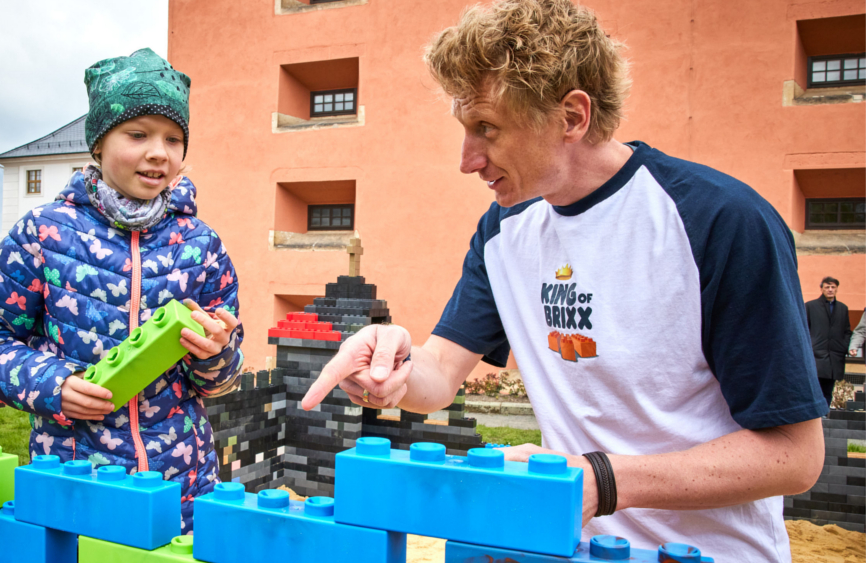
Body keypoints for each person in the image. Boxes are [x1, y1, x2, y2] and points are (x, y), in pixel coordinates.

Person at [300, 1, 826, 559]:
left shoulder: (720, 222)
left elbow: (794, 456)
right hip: (567, 547)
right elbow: (440, 377)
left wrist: (601, 482)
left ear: (573, 116)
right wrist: (395, 366)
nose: (467, 160)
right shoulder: (505, 229)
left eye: (487, 129)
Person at [0, 48, 244, 534]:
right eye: (138, 134)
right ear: (98, 145)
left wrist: (216, 353)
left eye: (174, 139)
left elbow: (220, 380)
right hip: (76, 480)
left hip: (183, 489)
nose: (159, 152)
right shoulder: (43, 234)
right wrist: (54, 385)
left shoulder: (202, 246)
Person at [805, 277, 853, 406]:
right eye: (827, 287)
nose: (830, 290)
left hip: (835, 356)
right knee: (815, 388)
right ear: (821, 289)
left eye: (833, 287)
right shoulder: (810, 306)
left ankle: (825, 413)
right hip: (816, 355)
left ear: (837, 289)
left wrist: (844, 346)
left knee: (828, 389)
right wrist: (810, 346)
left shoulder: (843, 308)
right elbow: (804, 329)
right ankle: (816, 416)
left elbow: (847, 331)